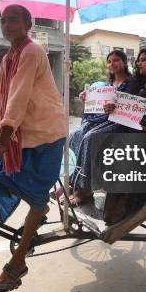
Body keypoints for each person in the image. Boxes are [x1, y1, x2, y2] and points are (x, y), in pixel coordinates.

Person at [0, 4, 66, 292]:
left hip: (45, 135)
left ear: (28, 24)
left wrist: (2, 142)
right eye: (3, 21)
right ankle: (38, 209)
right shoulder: (9, 57)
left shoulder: (32, 51)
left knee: (37, 199)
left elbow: (16, 99)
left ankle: (17, 264)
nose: (7, 25)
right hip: (24, 136)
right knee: (0, 176)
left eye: (13, 20)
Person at [71, 48, 146, 208]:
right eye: (138, 60)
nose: (139, 63)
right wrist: (111, 108)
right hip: (128, 129)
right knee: (86, 136)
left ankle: (87, 188)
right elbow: (122, 106)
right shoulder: (137, 83)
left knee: (94, 139)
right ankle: (80, 183)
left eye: (144, 60)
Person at [54, 49, 132, 203]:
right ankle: (71, 182)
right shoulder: (107, 84)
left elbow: (133, 106)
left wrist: (117, 106)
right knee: (74, 135)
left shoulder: (132, 83)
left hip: (118, 123)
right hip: (100, 119)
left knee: (90, 138)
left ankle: (85, 188)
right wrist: (87, 99)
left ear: (124, 62)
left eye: (116, 60)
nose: (112, 64)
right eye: (109, 62)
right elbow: (96, 106)